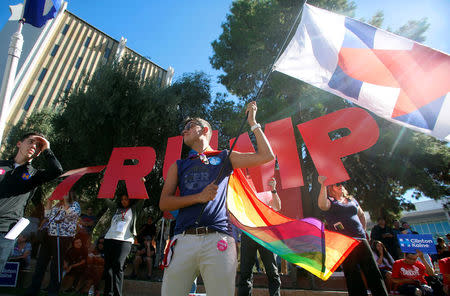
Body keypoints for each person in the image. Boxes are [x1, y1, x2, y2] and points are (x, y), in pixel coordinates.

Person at [159, 101, 275, 296]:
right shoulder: (178, 165)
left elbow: (266, 155)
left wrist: (253, 123)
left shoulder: (224, 157)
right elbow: (164, 203)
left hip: (219, 239)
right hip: (183, 239)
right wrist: (199, 197)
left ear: (204, 130)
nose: (184, 131)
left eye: (189, 126)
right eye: (183, 128)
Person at [0, 132, 63, 273]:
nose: (34, 146)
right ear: (19, 143)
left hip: (5, 232)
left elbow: (57, 170)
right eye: (30, 142)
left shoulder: (33, 175)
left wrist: (47, 149)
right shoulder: (2, 165)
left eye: (38, 146)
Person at [317, 176, 388, 296]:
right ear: (330, 188)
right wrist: (322, 185)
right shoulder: (330, 201)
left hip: (361, 240)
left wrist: (363, 231)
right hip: (344, 243)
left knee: (373, 272)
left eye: (341, 183)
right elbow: (322, 205)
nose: (340, 185)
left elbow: (361, 214)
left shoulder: (351, 200)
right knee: (352, 275)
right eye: (336, 183)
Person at [26, 191, 81, 296]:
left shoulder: (75, 205)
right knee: (41, 264)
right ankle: (33, 290)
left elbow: (71, 215)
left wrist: (65, 202)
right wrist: (49, 202)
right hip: (48, 236)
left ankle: (53, 291)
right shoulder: (58, 204)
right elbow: (47, 216)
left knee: (56, 265)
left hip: (62, 237)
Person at [238, 177, 281, 296]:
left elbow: (277, 207)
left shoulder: (266, 183)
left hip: (266, 233)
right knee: (245, 271)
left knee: (272, 271)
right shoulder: (244, 182)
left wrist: (273, 189)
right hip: (249, 231)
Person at [103, 193, 142, 296]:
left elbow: (143, 198)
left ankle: (117, 294)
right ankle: (108, 293)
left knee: (118, 265)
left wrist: (142, 184)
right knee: (108, 268)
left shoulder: (134, 209)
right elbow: (106, 199)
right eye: (122, 199)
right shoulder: (115, 208)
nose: (123, 201)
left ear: (130, 200)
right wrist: (103, 185)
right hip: (109, 238)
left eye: (126, 199)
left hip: (124, 240)